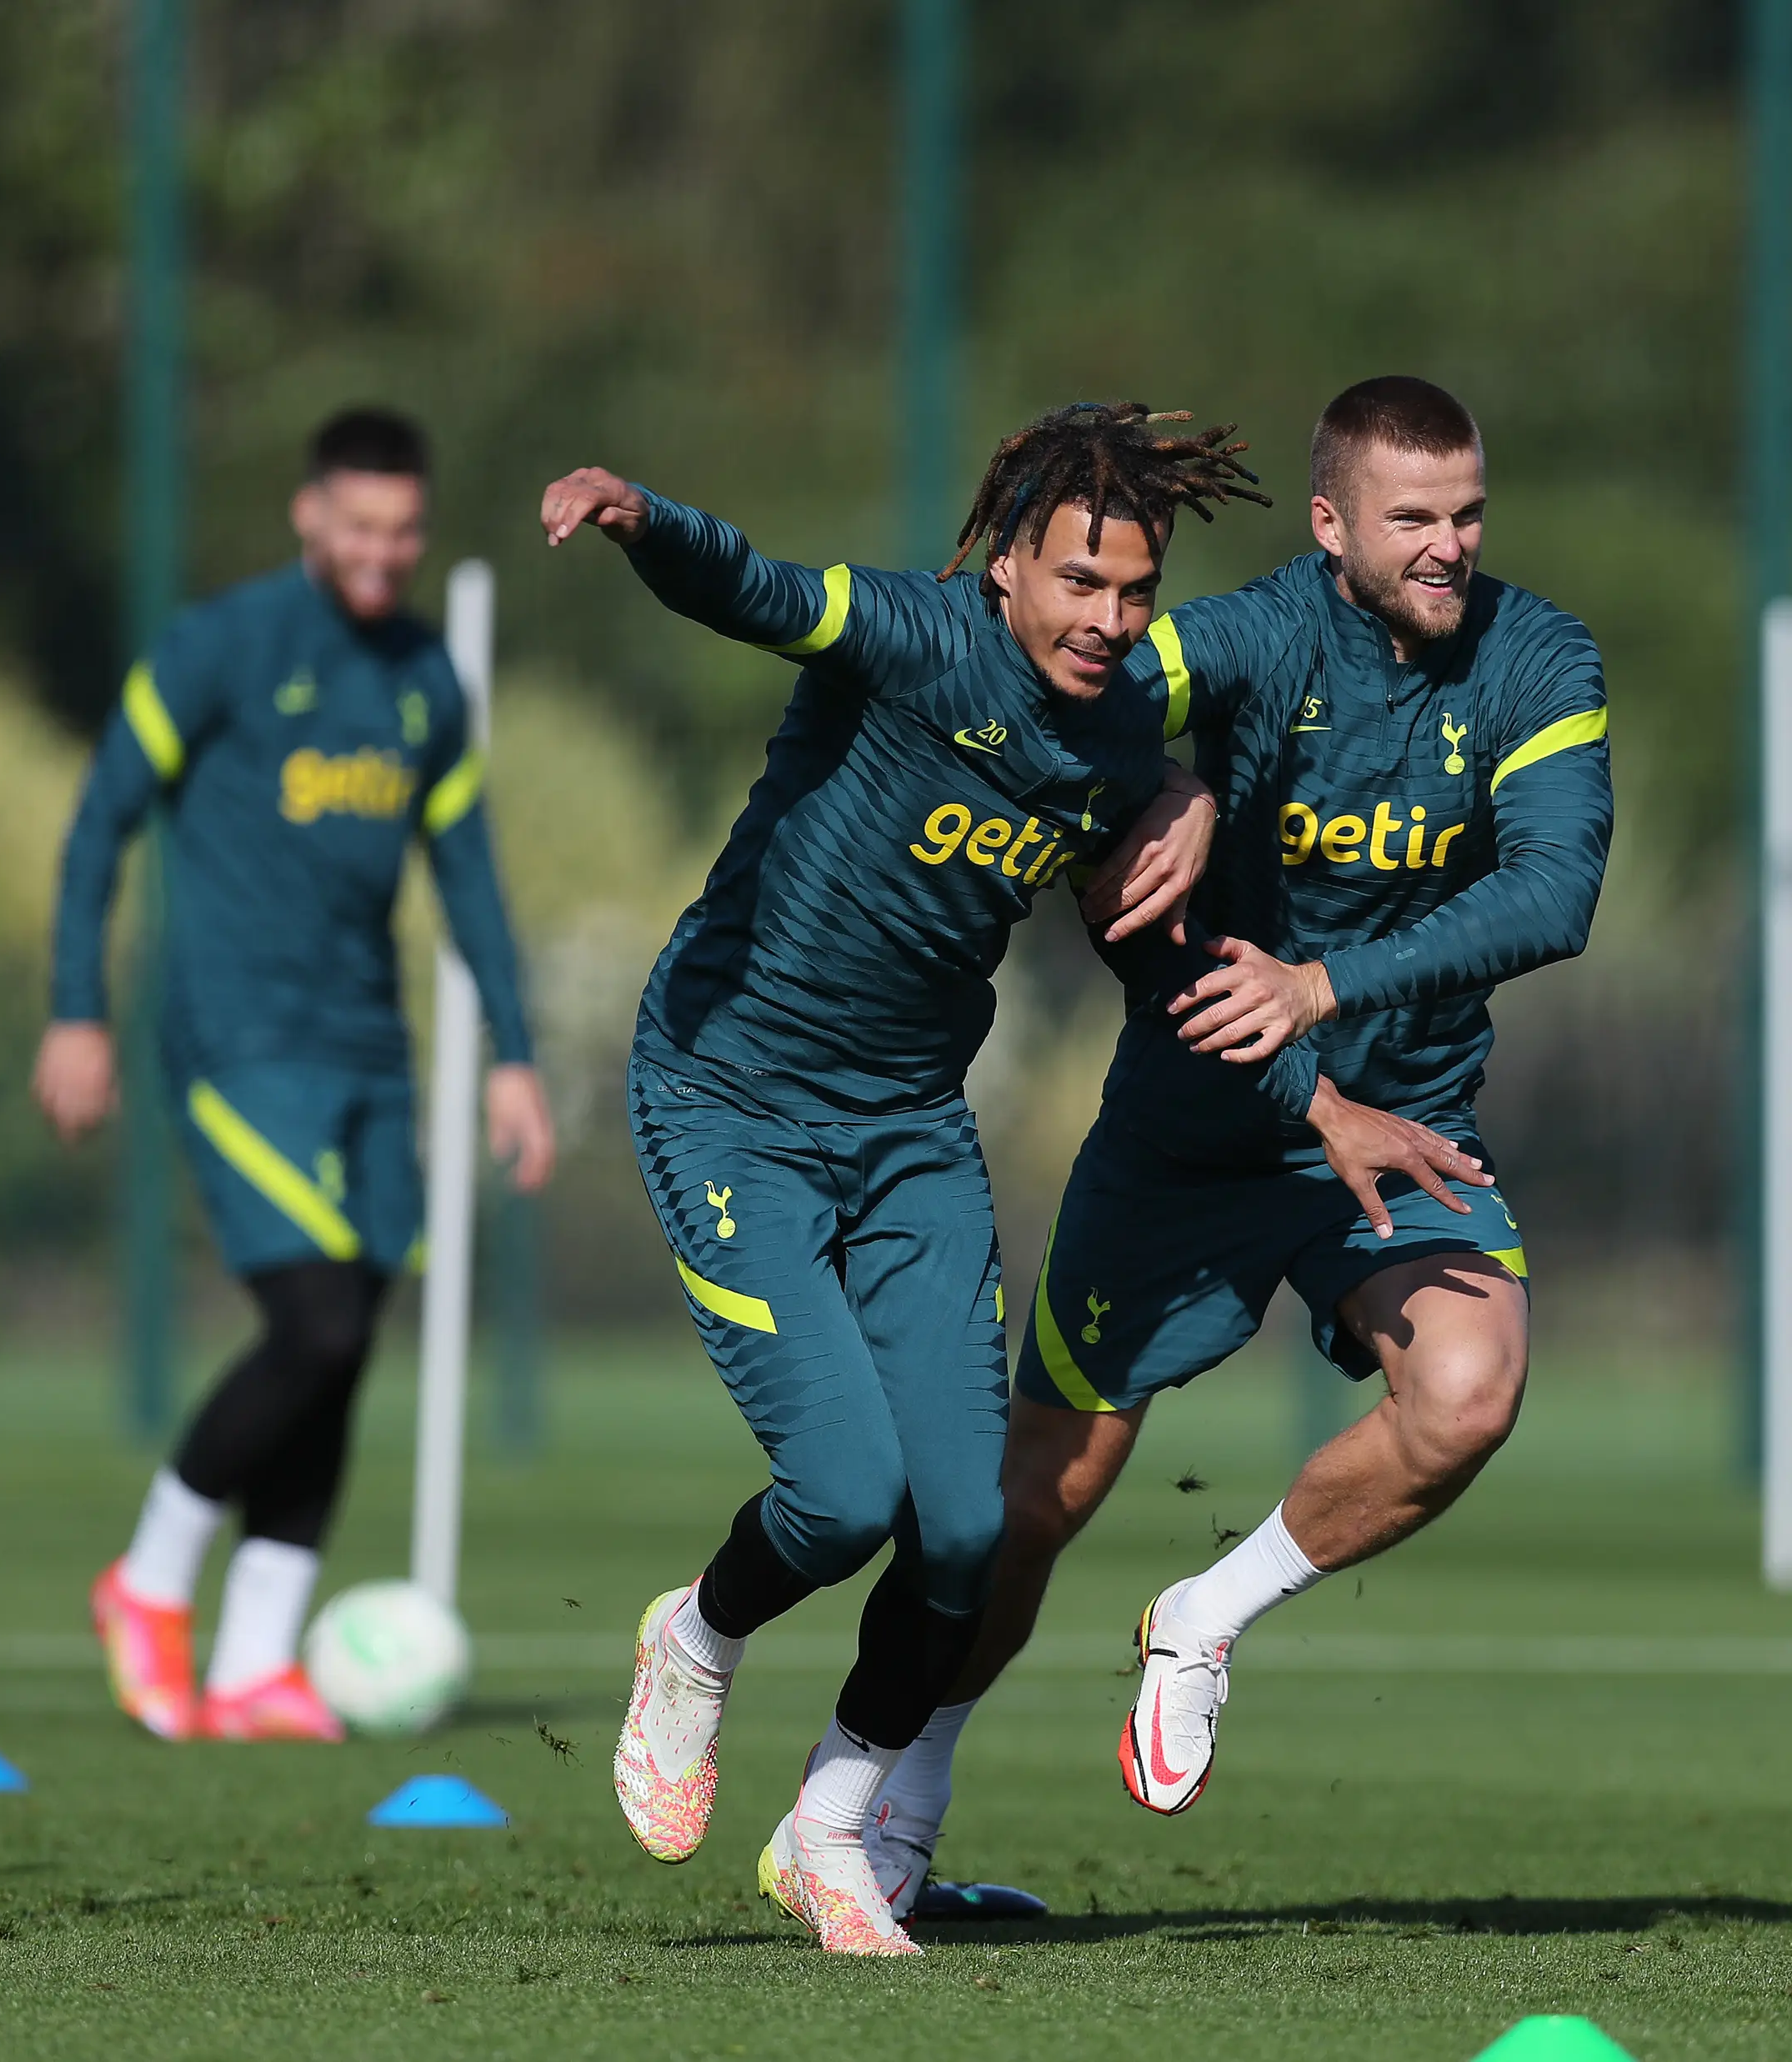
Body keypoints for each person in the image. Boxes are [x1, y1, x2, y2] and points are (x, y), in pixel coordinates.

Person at [862, 376, 1610, 1904]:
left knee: (1469, 1394)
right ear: (1331, 525)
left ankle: (1208, 1611)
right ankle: (879, 1818)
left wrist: (1323, 983)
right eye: (1413, 517)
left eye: (1468, 512)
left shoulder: (1540, 658)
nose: (1449, 544)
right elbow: (1098, 700)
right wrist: (1176, 776)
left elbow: (1555, 896)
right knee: (1034, 1504)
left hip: (1402, 1135)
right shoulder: (1258, 636)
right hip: (1191, 1136)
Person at [536, 401, 1262, 1955]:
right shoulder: (915, 636)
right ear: (1009, 568)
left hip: (909, 1133)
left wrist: (1187, 801)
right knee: (845, 1493)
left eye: (1134, 594)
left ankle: (833, 1823)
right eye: (1080, 581)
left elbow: (1146, 887)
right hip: (728, 1097)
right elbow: (757, 589)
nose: (1109, 619)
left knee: (962, 1533)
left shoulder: (1123, 726)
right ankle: (700, 1637)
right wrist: (642, 516)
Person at [50, 407, 555, 1745]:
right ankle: (149, 1580)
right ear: (308, 514)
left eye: (405, 530)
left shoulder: (425, 682)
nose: (383, 553)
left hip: (369, 1051)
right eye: (360, 525)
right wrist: (74, 1014)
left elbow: (468, 874)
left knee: (347, 1347)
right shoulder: (220, 648)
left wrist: (513, 1054)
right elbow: (101, 822)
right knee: (315, 1321)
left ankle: (259, 1659)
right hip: (237, 1036)